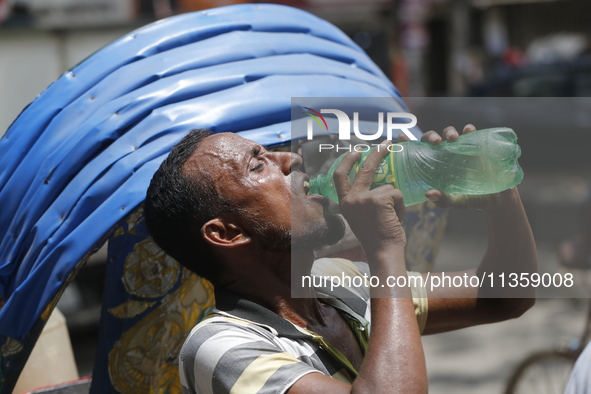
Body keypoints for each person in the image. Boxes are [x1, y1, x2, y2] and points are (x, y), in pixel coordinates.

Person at [144, 124, 537, 393]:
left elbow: (504, 296)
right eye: (258, 163)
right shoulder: (220, 348)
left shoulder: (335, 282)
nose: (291, 160)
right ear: (228, 233)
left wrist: (500, 198)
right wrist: (386, 251)